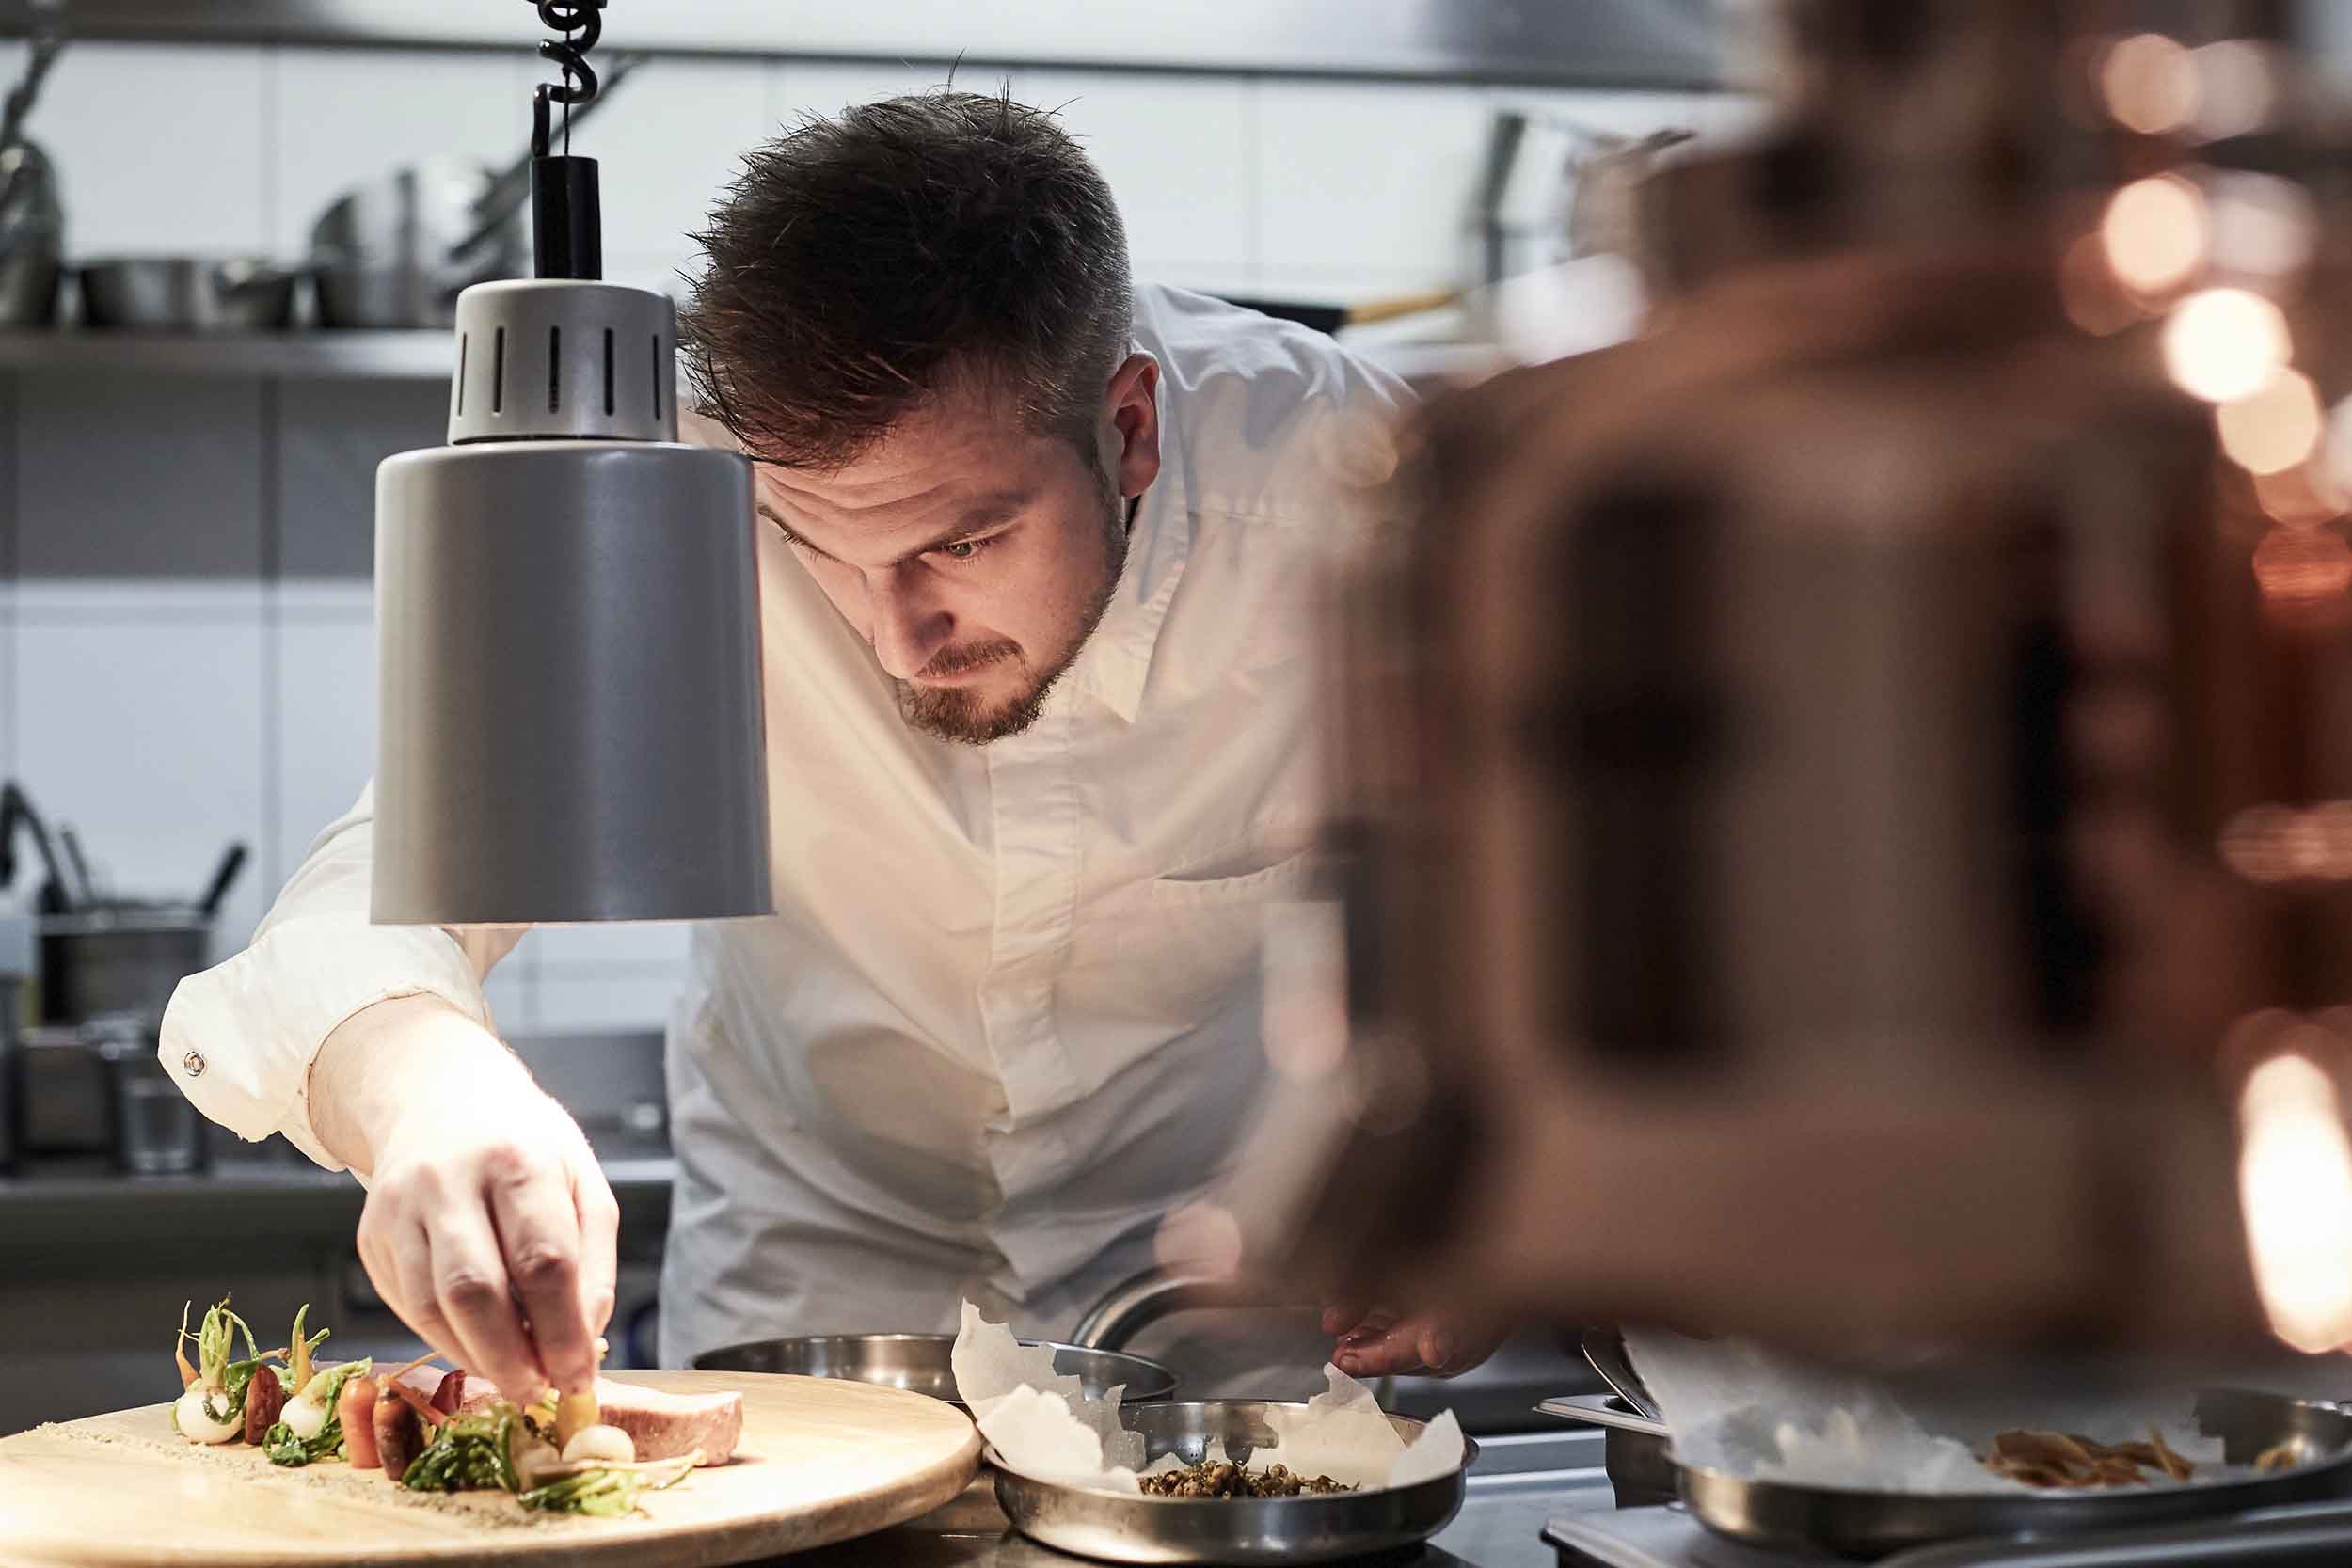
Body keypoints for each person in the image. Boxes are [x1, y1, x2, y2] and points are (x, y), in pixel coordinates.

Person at [161, 89, 1497, 1402]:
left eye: (962, 542)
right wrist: (423, 1085)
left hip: (1225, 1324)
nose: (896, 637)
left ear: (1129, 428)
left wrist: (1505, 1177)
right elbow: (375, 882)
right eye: (820, 550)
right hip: (809, 1317)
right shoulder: (668, 493)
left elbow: (1612, 888)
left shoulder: (1362, 493)